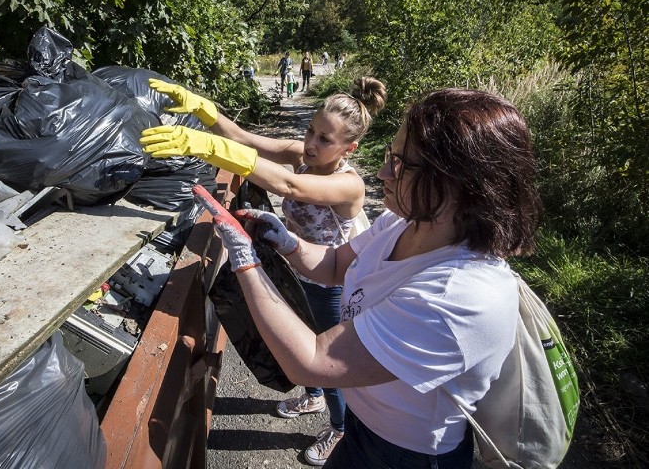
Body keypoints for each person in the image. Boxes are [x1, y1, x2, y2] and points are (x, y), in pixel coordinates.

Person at [194, 88, 543, 468]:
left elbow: (312, 361)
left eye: (401, 165)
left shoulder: (459, 294)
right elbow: (333, 266)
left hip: (402, 454)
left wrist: (246, 262)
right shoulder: (404, 222)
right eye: (390, 157)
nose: (382, 173)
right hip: (368, 425)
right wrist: (287, 241)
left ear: (455, 184)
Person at [139, 76, 388, 465]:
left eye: (325, 139)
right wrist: (202, 108)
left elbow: (291, 186)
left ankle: (339, 429)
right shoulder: (302, 153)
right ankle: (312, 397)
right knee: (297, 340)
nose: (311, 142)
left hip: (328, 284)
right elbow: (243, 137)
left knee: (326, 361)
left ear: (349, 148)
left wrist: (210, 148)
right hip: (294, 270)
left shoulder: (349, 185)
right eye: (311, 129)